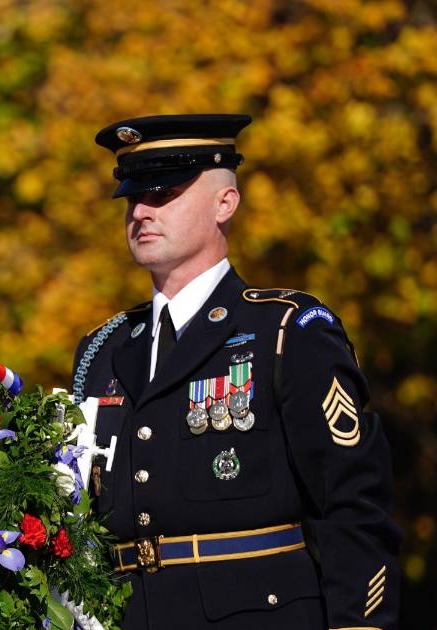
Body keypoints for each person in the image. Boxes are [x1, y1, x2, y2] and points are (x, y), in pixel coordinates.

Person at [73, 114, 400, 629]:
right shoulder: (104, 347)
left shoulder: (286, 329)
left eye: (164, 194)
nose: (141, 212)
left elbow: (352, 504)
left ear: (225, 204)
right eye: (133, 198)